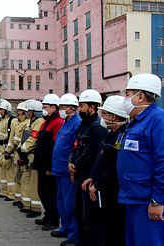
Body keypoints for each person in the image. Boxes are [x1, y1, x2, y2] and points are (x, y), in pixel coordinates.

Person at [117, 73, 164, 246]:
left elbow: (162, 162)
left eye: (128, 95)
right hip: (133, 197)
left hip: (147, 200)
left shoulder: (157, 119)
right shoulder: (137, 121)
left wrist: (158, 200)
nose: (125, 99)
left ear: (141, 96)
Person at [81, 95, 128, 246]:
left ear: (114, 116)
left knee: (111, 228)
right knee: (100, 225)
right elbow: (101, 160)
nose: (102, 116)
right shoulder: (111, 134)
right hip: (102, 187)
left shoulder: (121, 136)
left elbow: (113, 166)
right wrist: (92, 177)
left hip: (111, 191)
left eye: (105, 113)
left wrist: (98, 184)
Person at [68, 89, 108, 246]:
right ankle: (80, 240)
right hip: (79, 175)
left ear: (92, 107)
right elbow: (75, 146)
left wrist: (75, 166)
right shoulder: (82, 126)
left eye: (82, 106)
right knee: (79, 213)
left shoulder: (97, 128)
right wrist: (71, 163)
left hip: (88, 177)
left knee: (89, 216)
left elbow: (90, 153)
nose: (80, 109)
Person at [51, 93, 81, 246]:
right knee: (61, 201)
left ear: (71, 108)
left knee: (70, 203)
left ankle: (73, 234)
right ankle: (65, 227)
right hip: (58, 169)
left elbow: (75, 147)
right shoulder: (65, 122)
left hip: (67, 170)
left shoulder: (77, 123)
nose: (60, 110)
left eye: (62, 107)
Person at [33, 94, 64, 231]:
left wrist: (51, 166)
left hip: (49, 165)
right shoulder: (46, 122)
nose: (43, 110)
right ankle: (47, 214)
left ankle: (53, 219)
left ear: (53, 107)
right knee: (42, 191)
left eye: (45, 107)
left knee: (50, 192)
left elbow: (55, 147)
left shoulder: (58, 123)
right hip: (42, 163)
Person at [18, 100, 45, 218]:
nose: (27, 113)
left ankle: (35, 208)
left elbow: (32, 139)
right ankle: (27, 204)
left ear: (34, 112)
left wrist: (22, 149)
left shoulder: (38, 122)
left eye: (29, 111)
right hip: (28, 156)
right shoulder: (32, 122)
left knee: (33, 183)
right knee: (26, 180)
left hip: (33, 157)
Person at [0, 99, 13, 199]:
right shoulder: (1, 121)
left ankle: (11, 194)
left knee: (9, 172)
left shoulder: (11, 121)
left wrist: (8, 150)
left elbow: (11, 137)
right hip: (0, 148)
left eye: (2, 109)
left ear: (7, 110)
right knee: (2, 171)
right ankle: (4, 191)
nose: (0, 111)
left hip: (6, 148)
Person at [11, 102, 30, 208]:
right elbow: (14, 139)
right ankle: (18, 198)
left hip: (22, 154)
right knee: (17, 176)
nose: (18, 113)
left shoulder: (27, 124)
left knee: (23, 178)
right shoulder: (17, 123)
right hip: (17, 153)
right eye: (17, 111)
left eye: (20, 111)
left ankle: (25, 201)